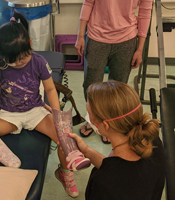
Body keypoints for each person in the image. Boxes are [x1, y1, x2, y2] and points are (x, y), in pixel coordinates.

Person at [0, 12, 90, 198]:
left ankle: (65, 172)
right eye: (11, 60)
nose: (17, 63)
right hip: (9, 114)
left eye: (22, 57)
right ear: (2, 55)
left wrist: (56, 114)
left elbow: (50, 90)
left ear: (30, 44)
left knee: (65, 136)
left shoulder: (38, 62)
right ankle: (10, 160)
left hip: (35, 111)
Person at [69, 80, 166, 200]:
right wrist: (87, 151)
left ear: (106, 125)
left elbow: (116, 177)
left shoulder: (103, 184)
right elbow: (122, 172)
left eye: (89, 113)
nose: (88, 119)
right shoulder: (152, 141)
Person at [75, 0, 153, 144]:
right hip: (96, 36)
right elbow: (88, 3)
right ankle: (92, 121)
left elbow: (145, 12)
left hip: (126, 39)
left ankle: (110, 125)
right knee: (91, 85)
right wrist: (80, 36)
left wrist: (140, 48)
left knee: (117, 88)